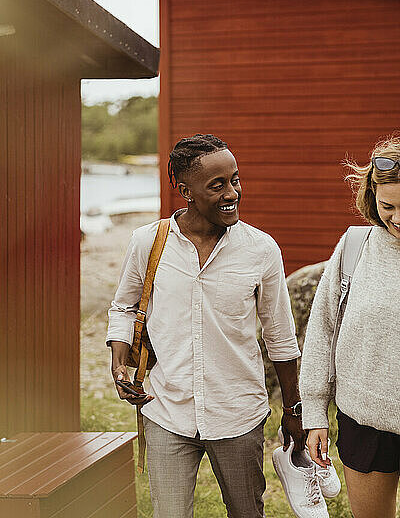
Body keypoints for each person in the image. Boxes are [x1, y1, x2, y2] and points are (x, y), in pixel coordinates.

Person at [106, 134, 306, 518]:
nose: (232, 192)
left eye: (235, 179)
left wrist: (294, 411)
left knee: (247, 512)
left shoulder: (261, 250)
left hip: (237, 413)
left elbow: (281, 338)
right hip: (166, 409)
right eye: (217, 185)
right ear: (186, 191)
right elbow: (124, 306)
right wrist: (119, 364)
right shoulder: (148, 242)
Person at [299, 135, 400, 518]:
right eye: (387, 206)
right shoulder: (355, 246)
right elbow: (323, 331)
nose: (398, 218)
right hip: (364, 421)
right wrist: (313, 414)